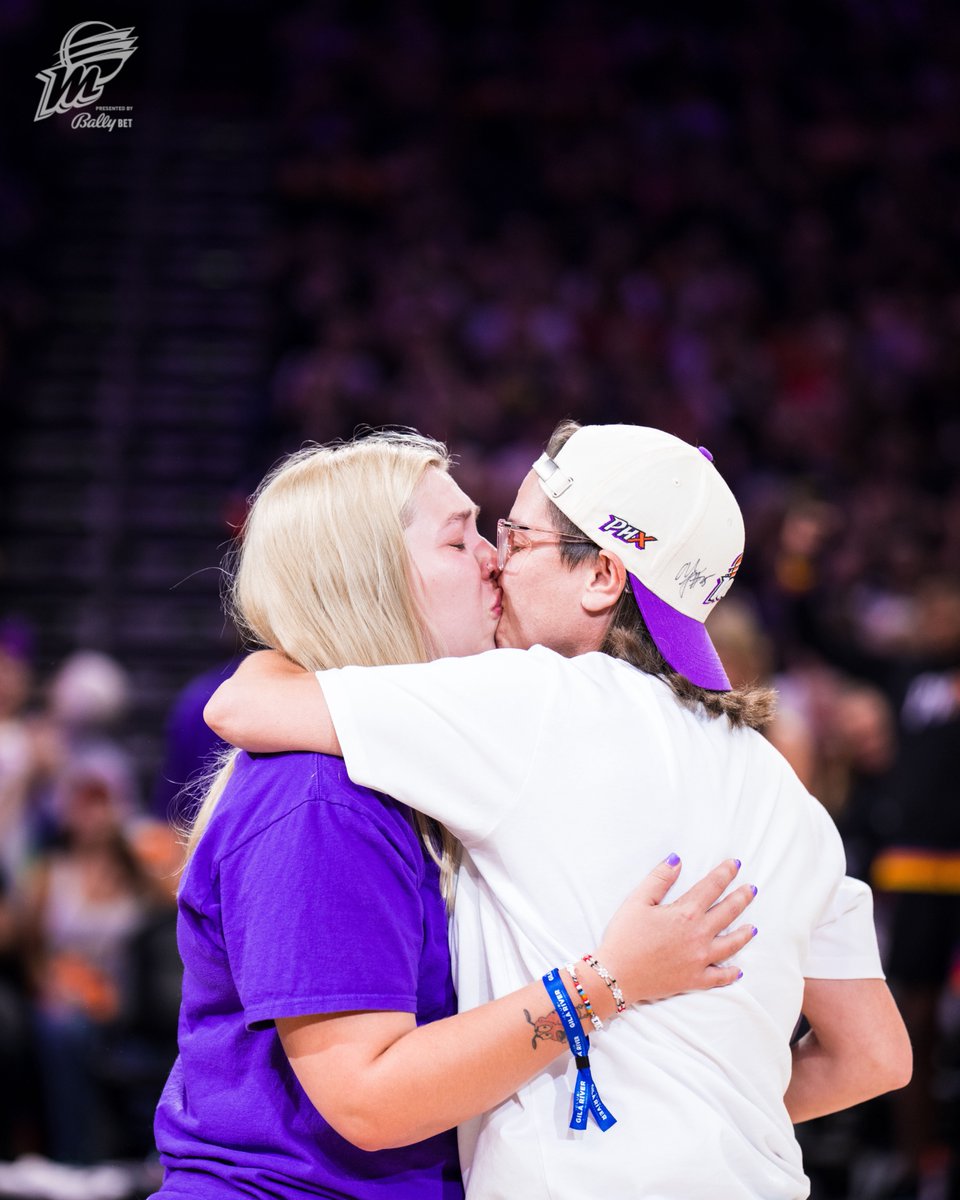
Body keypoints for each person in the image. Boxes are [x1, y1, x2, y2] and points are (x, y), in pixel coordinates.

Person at [208, 422, 912, 1200]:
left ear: (603, 578)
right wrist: (715, 1113)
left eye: (515, 535)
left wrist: (289, 623)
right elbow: (877, 1055)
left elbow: (244, 706)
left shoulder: (538, 702)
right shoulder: (784, 790)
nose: (495, 559)